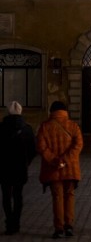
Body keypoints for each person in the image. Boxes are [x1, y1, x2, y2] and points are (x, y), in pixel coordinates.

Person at [36, 101, 83, 239]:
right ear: (64, 111)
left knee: (57, 198)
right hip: (70, 168)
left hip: (53, 169)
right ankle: (69, 225)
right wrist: (65, 160)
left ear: (51, 111)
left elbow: (41, 148)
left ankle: (59, 228)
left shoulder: (45, 127)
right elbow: (78, 145)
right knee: (69, 196)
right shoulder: (73, 126)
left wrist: (55, 161)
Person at [0, 101, 36, 235]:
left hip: (4, 167)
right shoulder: (27, 128)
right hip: (20, 167)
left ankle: (9, 222)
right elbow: (33, 149)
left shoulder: (1, 127)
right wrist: (26, 162)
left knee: (6, 196)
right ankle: (16, 222)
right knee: (18, 196)